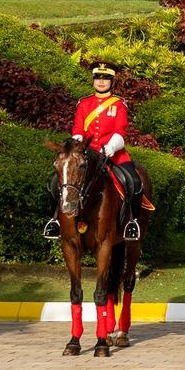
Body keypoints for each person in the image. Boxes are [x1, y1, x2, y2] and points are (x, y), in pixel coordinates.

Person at [52, 62, 151, 242]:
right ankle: (54, 220)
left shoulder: (119, 104)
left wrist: (110, 147)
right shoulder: (84, 103)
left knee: (135, 183)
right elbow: (78, 128)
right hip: (86, 155)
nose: (101, 82)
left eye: (106, 78)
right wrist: (77, 145)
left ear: (112, 81)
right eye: (98, 78)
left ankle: (133, 223)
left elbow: (120, 130)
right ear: (93, 80)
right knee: (55, 182)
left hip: (113, 155)